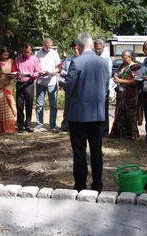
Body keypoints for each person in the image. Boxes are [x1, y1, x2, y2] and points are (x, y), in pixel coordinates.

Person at [64, 32, 109, 192]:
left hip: (79, 114)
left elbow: (69, 87)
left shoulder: (76, 62)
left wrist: (64, 82)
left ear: (80, 46)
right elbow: (105, 87)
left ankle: (80, 185)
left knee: (80, 151)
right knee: (97, 151)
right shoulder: (103, 63)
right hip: (97, 114)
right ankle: (97, 184)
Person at [109, 50, 141, 139]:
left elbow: (136, 81)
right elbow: (116, 75)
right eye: (122, 57)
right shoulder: (121, 66)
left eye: (125, 57)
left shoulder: (135, 67)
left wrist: (121, 81)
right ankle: (120, 132)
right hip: (121, 93)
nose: (123, 59)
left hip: (130, 94)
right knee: (120, 112)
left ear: (130, 57)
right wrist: (113, 79)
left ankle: (132, 134)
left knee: (130, 113)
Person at [35, 37, 60, 132]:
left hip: (52, 81)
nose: (48, 49)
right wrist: (39, 72)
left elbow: (58, 67)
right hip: (41, 81)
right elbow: (36, 67)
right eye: (47, 47)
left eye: (50, 47)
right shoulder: (38, 54)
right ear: (43, 45)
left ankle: (52, 124)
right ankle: (39, 124)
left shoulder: (54, 53)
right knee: (39, 103)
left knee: (53, 104)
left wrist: (54, 72)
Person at [14, 43, 40, 133]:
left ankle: (28, 124)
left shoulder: (35, 59)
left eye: (28, 52)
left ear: (31, 51)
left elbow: (37, 71)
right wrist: (16, 73)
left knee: (29, 104)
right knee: (19, 105)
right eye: (25, 52)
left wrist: (34, 75)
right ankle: (20, 125)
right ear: (22, 51)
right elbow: (14, 70)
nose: (26, 54)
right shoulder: (17, 59)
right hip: (20, 83)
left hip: (29, 84)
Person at [0, 47, 16, 135]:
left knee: (9, 105)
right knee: (0, 107)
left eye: (7, 55)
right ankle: (0, 129)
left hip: (8, 85)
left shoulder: (11, 61)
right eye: (4, 54)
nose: (6, 56)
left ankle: (9, 128)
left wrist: (12, 75)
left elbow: (13, 72)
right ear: (0, 54)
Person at [59, 40, 80, 132]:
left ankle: (77, 127)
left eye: (77, 48)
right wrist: (63, 72)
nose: (75, 50)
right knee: (67, 107)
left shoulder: (83, 59)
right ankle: (65, 126)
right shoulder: (69, 58)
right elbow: (63, 69)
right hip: (68, 85)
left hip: (79, 87)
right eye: (73, 49)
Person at [94, 39, 113, 137]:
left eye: (99, 49)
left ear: (103, 48)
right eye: (95, 49)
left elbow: (107, 74)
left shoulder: (106, 59)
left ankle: (104, 131)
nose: (97, 51)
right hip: (94, 88)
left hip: (103, 88)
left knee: (104, 110)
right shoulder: (93, 58)